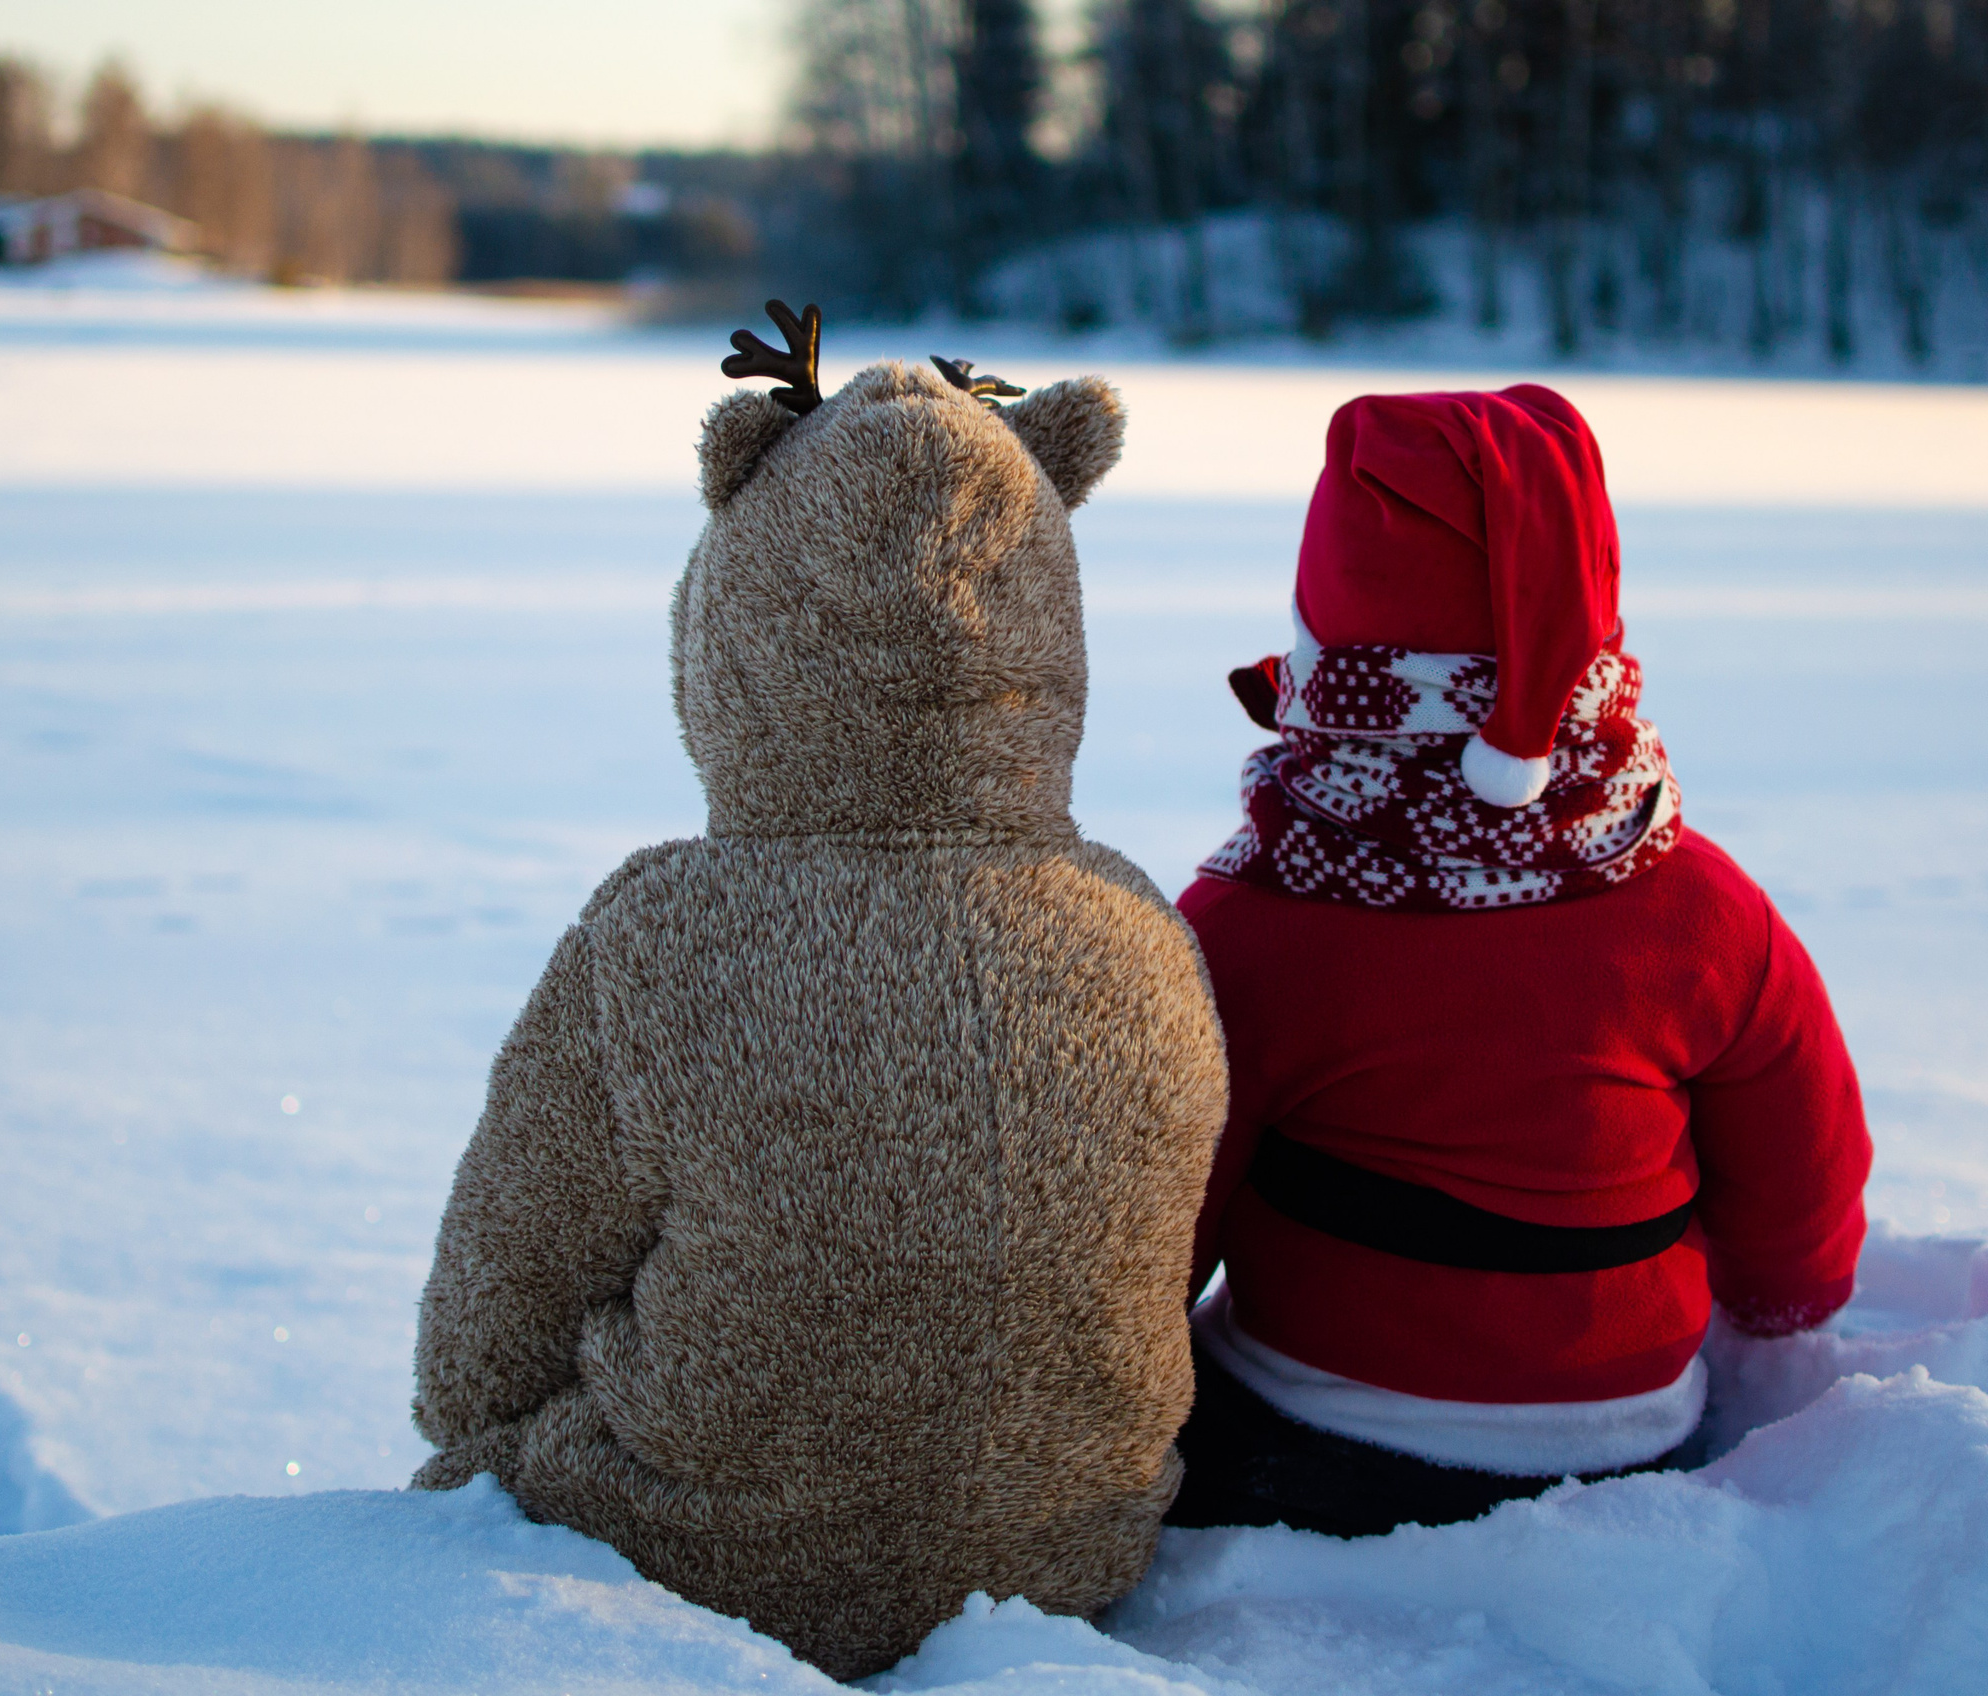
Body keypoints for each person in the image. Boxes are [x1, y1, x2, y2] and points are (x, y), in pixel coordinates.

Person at [407, 309, 1228, 1680]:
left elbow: (499, 1309)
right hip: (1071, 1563)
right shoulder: (1141, 924)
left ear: (734, 620)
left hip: (687, 1561)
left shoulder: (658, 933)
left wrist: (484, 1449)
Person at [1168, 385, 1872, 1538]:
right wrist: (1780, 1316)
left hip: (1312, 1438)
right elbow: (1803, 1160)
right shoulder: (1690, 897)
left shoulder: (1261, 914)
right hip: (1635, 1433)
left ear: (1329, 651)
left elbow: (1162, 1211)